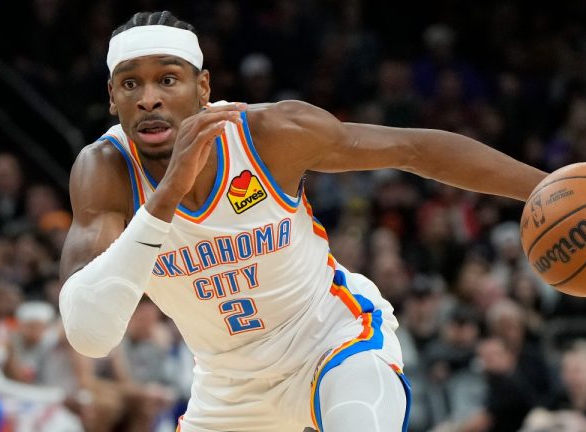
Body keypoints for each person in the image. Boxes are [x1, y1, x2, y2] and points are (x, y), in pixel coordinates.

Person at [58, 11, 547, 432]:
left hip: (332, 342)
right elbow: (90, 335)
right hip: (227, 388)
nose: (148, 98)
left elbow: (414, 148)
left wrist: (548, 187)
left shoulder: (270, 134)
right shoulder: (104, 171)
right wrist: (164, 201)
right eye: (130, 84)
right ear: (111, 97)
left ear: (203, 87)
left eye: (167, 79)